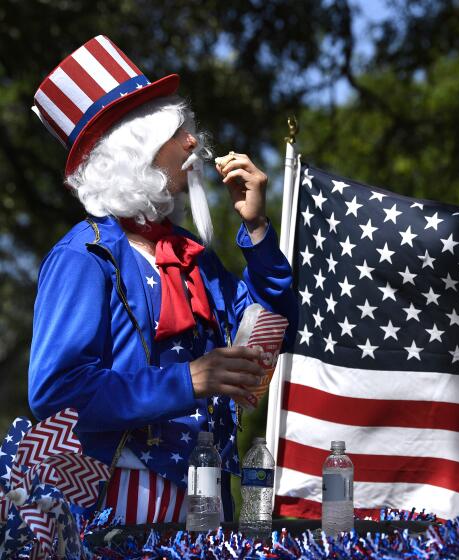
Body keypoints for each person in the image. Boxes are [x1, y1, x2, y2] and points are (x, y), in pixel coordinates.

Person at [27, 35, 298, 524]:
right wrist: (188, 379)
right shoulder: (82, 256)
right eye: (178, 132)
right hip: (116, 513)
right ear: (136, 149)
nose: (193, 142)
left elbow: (271, 328)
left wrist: (256, 230)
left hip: (208, 505)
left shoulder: (190, 255)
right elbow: (57, 393)